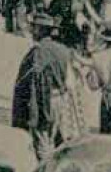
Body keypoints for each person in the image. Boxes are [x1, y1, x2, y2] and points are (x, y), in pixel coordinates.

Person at [11, 11, 88, 162]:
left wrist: (30, 110)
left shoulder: (38, 52)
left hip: (44, 102)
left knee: (42, 141)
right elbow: (70, 80)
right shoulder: (63, 50)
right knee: (59, 140)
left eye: (34, 28)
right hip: (60, 101)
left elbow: (33, 84)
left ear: (40, 30)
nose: (33, 31)